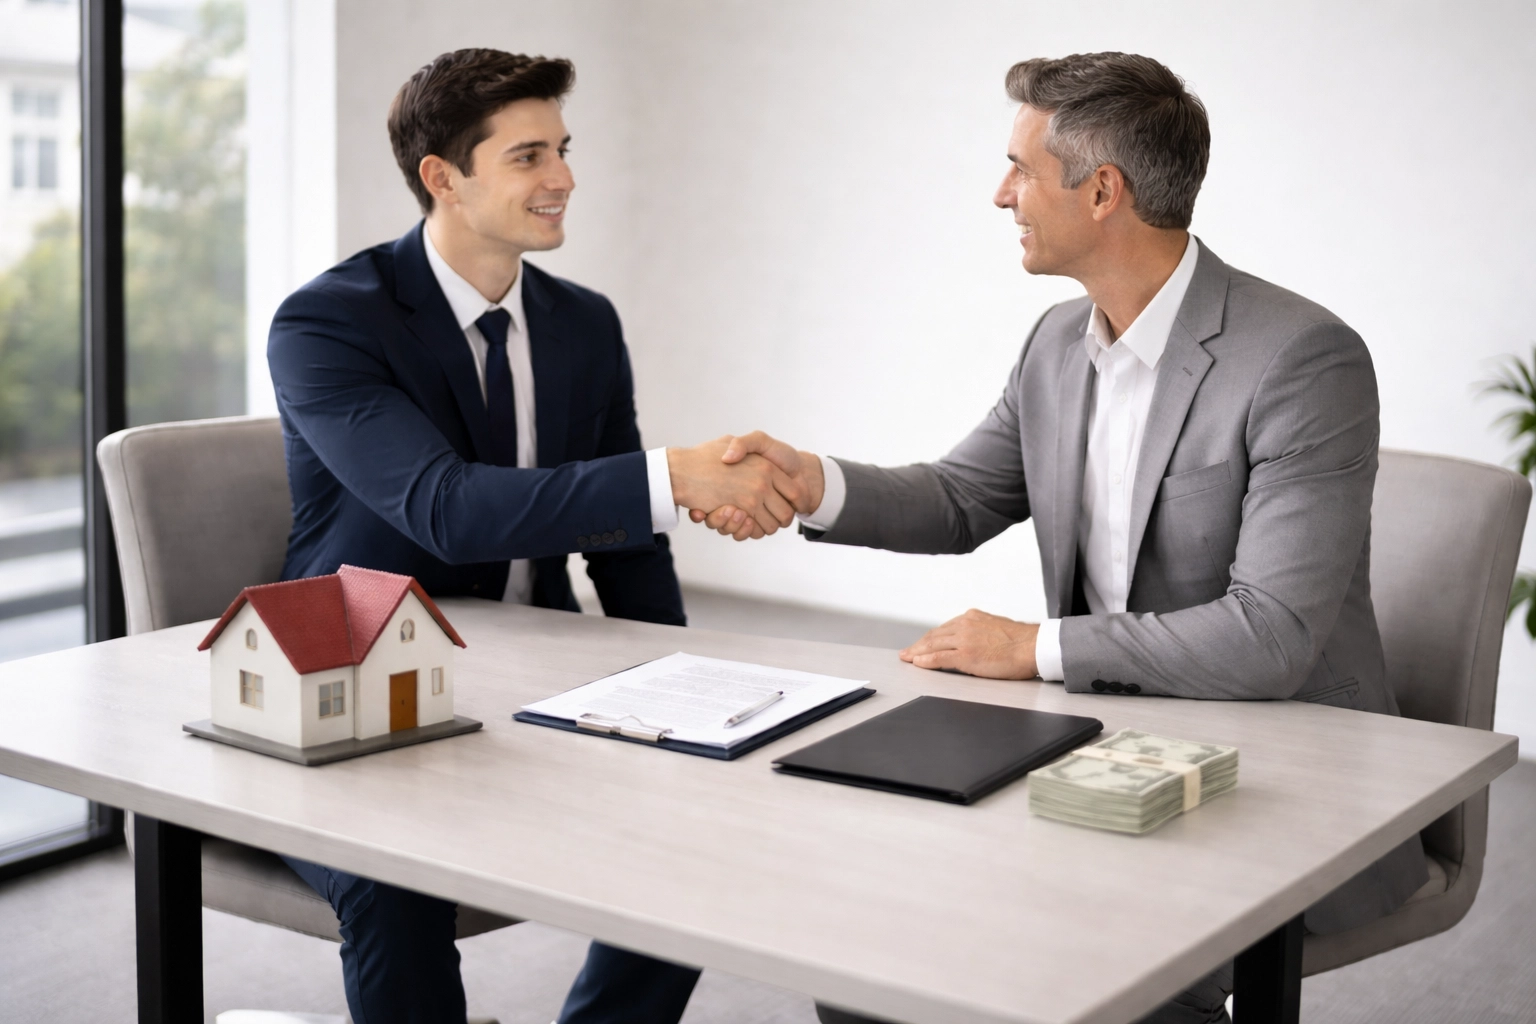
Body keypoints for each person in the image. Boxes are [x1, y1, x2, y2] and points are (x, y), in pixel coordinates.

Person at [698, 52, 1429, 1024]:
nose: (1001, 194)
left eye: (1020, 169)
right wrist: (811, 484)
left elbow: (1270, 638)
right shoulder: (1056, 343)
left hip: (1281, 765)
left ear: (1102, 191)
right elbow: (961, 497)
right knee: (873, 957)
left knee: (1090, 982)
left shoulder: (1299, 358)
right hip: (1110, 735)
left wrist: (1030, 647)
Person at [266, 48, 806, 1024]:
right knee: (398, 879)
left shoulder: (583, 324)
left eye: (562, 149)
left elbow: (626, 543)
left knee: (702, 833)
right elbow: (446, 508)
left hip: (537, 672)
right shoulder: (327, 324)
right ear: (444, 177)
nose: (563, 178)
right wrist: (672, 478)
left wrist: (689, 684)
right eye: (528, 156)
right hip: (363, 696)